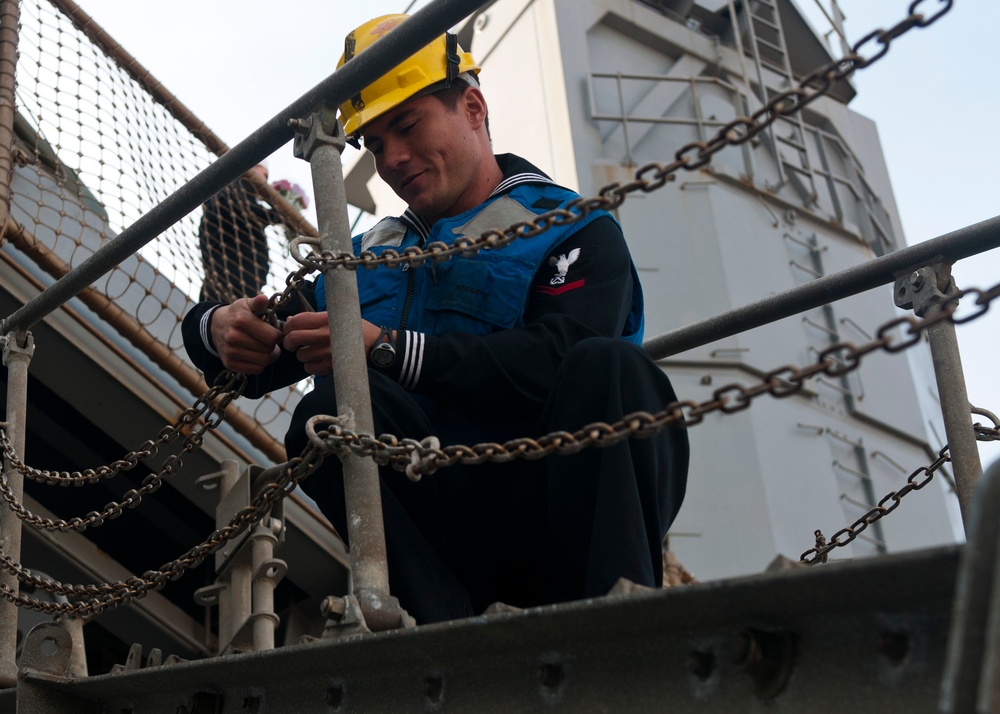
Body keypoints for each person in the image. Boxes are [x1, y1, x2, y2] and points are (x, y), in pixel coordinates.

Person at [182, 14, 689, 625]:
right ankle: (437, 631)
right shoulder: (364, 257)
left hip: (558, 514)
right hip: (446, 538)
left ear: (473, 107)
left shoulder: (574, 227)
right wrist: (219, 327)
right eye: (372, 142)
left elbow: (564, 357)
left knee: (612, 368)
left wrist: (390, 348)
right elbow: (251, 364)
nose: (392, 159)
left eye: (407, 124)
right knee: (330, 409)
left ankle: (623, 626)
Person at [198, 163, 282, 301]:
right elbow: (241, 210)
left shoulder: (248, 204)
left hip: (243, 283)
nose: (265, 181)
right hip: (226, 277)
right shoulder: (232, 189)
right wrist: (276, 214)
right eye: (263, 174)